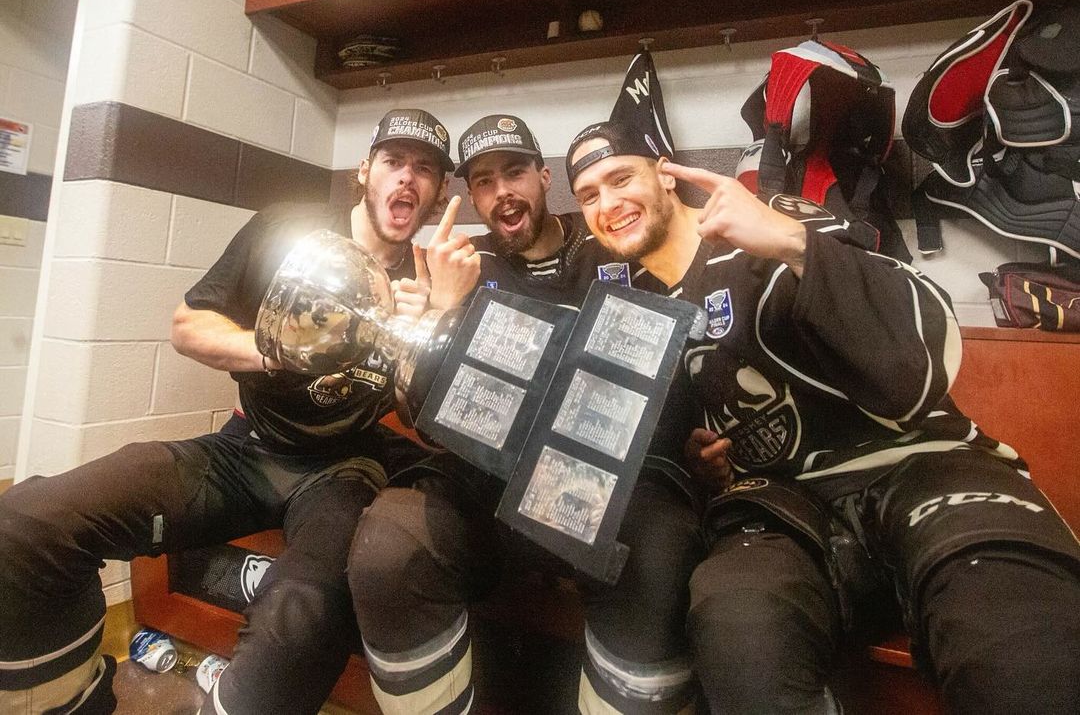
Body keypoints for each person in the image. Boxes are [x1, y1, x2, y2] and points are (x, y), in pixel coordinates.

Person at [565, 120, 1080, 714]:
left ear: (663, 174)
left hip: (923, 464)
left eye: (619, 178)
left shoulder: (772, 219)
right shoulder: (639, 310)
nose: (608, 204)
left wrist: (794, 243)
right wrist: (699, 459)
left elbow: (917, 358)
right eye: (589, 196)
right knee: (735, 623)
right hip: (782, 506)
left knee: (1018, 637)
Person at [0, 108, 473, 715]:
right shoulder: (287, 230)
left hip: (343, 467)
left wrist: (424, 329)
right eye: (394, 161)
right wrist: (278, 348)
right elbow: (187, 325)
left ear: (436, 195)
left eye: (426, 169)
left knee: (304, 614)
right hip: (245, 447)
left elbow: (417, 414)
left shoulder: (425, 280)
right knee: (25, 523)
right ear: (366, 171)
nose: (408, 178)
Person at [347, 114, 705, 714]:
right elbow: (412, 410)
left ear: (545, 178)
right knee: (389, 544)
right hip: (487, 482)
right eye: (483, 181)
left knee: (659, 554)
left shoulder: (610, 239)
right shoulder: (457, 265)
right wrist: (439, 308)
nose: (501, 191)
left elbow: (688, 342)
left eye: (515, 172)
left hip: (608, 481)